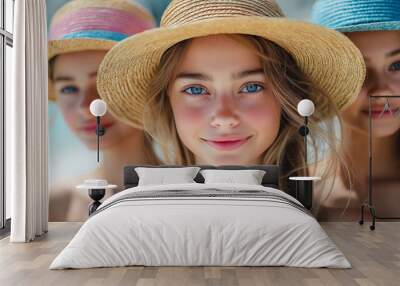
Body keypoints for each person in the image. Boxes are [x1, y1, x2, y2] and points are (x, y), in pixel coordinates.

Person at [97, 0, 365, 196]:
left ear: (285, 95)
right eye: (195, 89)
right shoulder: (139, 213)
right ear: (168, 102)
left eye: (250, 87)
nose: (224, 117)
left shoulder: (337, 213)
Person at [48, 0, 159, 221]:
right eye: (69, 88)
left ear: (147, 84)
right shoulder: (56, 204)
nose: (87, 109)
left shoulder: (190, 191)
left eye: (102, 84)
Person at [311, 0, 400, 220]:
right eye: (359, 69)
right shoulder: (290, 190)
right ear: (323, 81)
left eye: (396, 65)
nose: (380, 91)